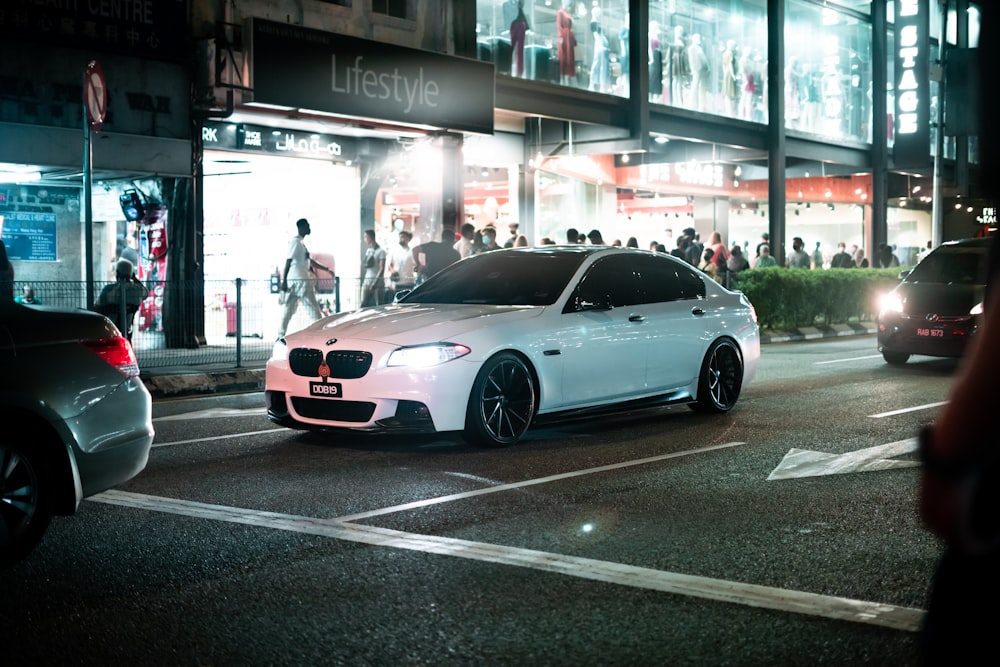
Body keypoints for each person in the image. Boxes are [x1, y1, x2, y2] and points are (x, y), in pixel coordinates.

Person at [278, 218, 329, 338]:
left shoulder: (301, 243)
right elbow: (288, 261)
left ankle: (280, 335)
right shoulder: (296, 242)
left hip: (295, 280)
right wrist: (283, 281)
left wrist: (326, 270)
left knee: (288, 310)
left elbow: (310, 262)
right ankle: (321, 334)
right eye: (307, 226)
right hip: (300, 280)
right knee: (313, 309)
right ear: (301, 227)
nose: (309, 228)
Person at [95, 259, 148, 342]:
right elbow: (146, 293)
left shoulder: (109, 289)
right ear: (131, 275)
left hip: (110, 330)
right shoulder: (138, 291)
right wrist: (134, 279)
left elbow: (98, 306)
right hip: (127, 331)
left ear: (117, 273)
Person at [386, 229, 416, 298]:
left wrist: (415, 273)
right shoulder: (395, 251)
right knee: (398, 303)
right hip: (397, 282)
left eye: (402, 237)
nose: (400, 238)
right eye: (400, 237)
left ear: (408, 239)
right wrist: (393, 272)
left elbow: (416, 266)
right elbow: (390, 265)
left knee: (408, 303)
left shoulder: (412, 252)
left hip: (409, 282)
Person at [361, 228, 386, 307]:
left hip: (377, 282)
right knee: (363, 303)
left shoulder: (381, 251)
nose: (364, 239)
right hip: (367, 280)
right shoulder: (368, 250)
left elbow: (382, 268)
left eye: (365, 237)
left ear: (370, 237)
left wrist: (375, 283)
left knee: (379, 305)